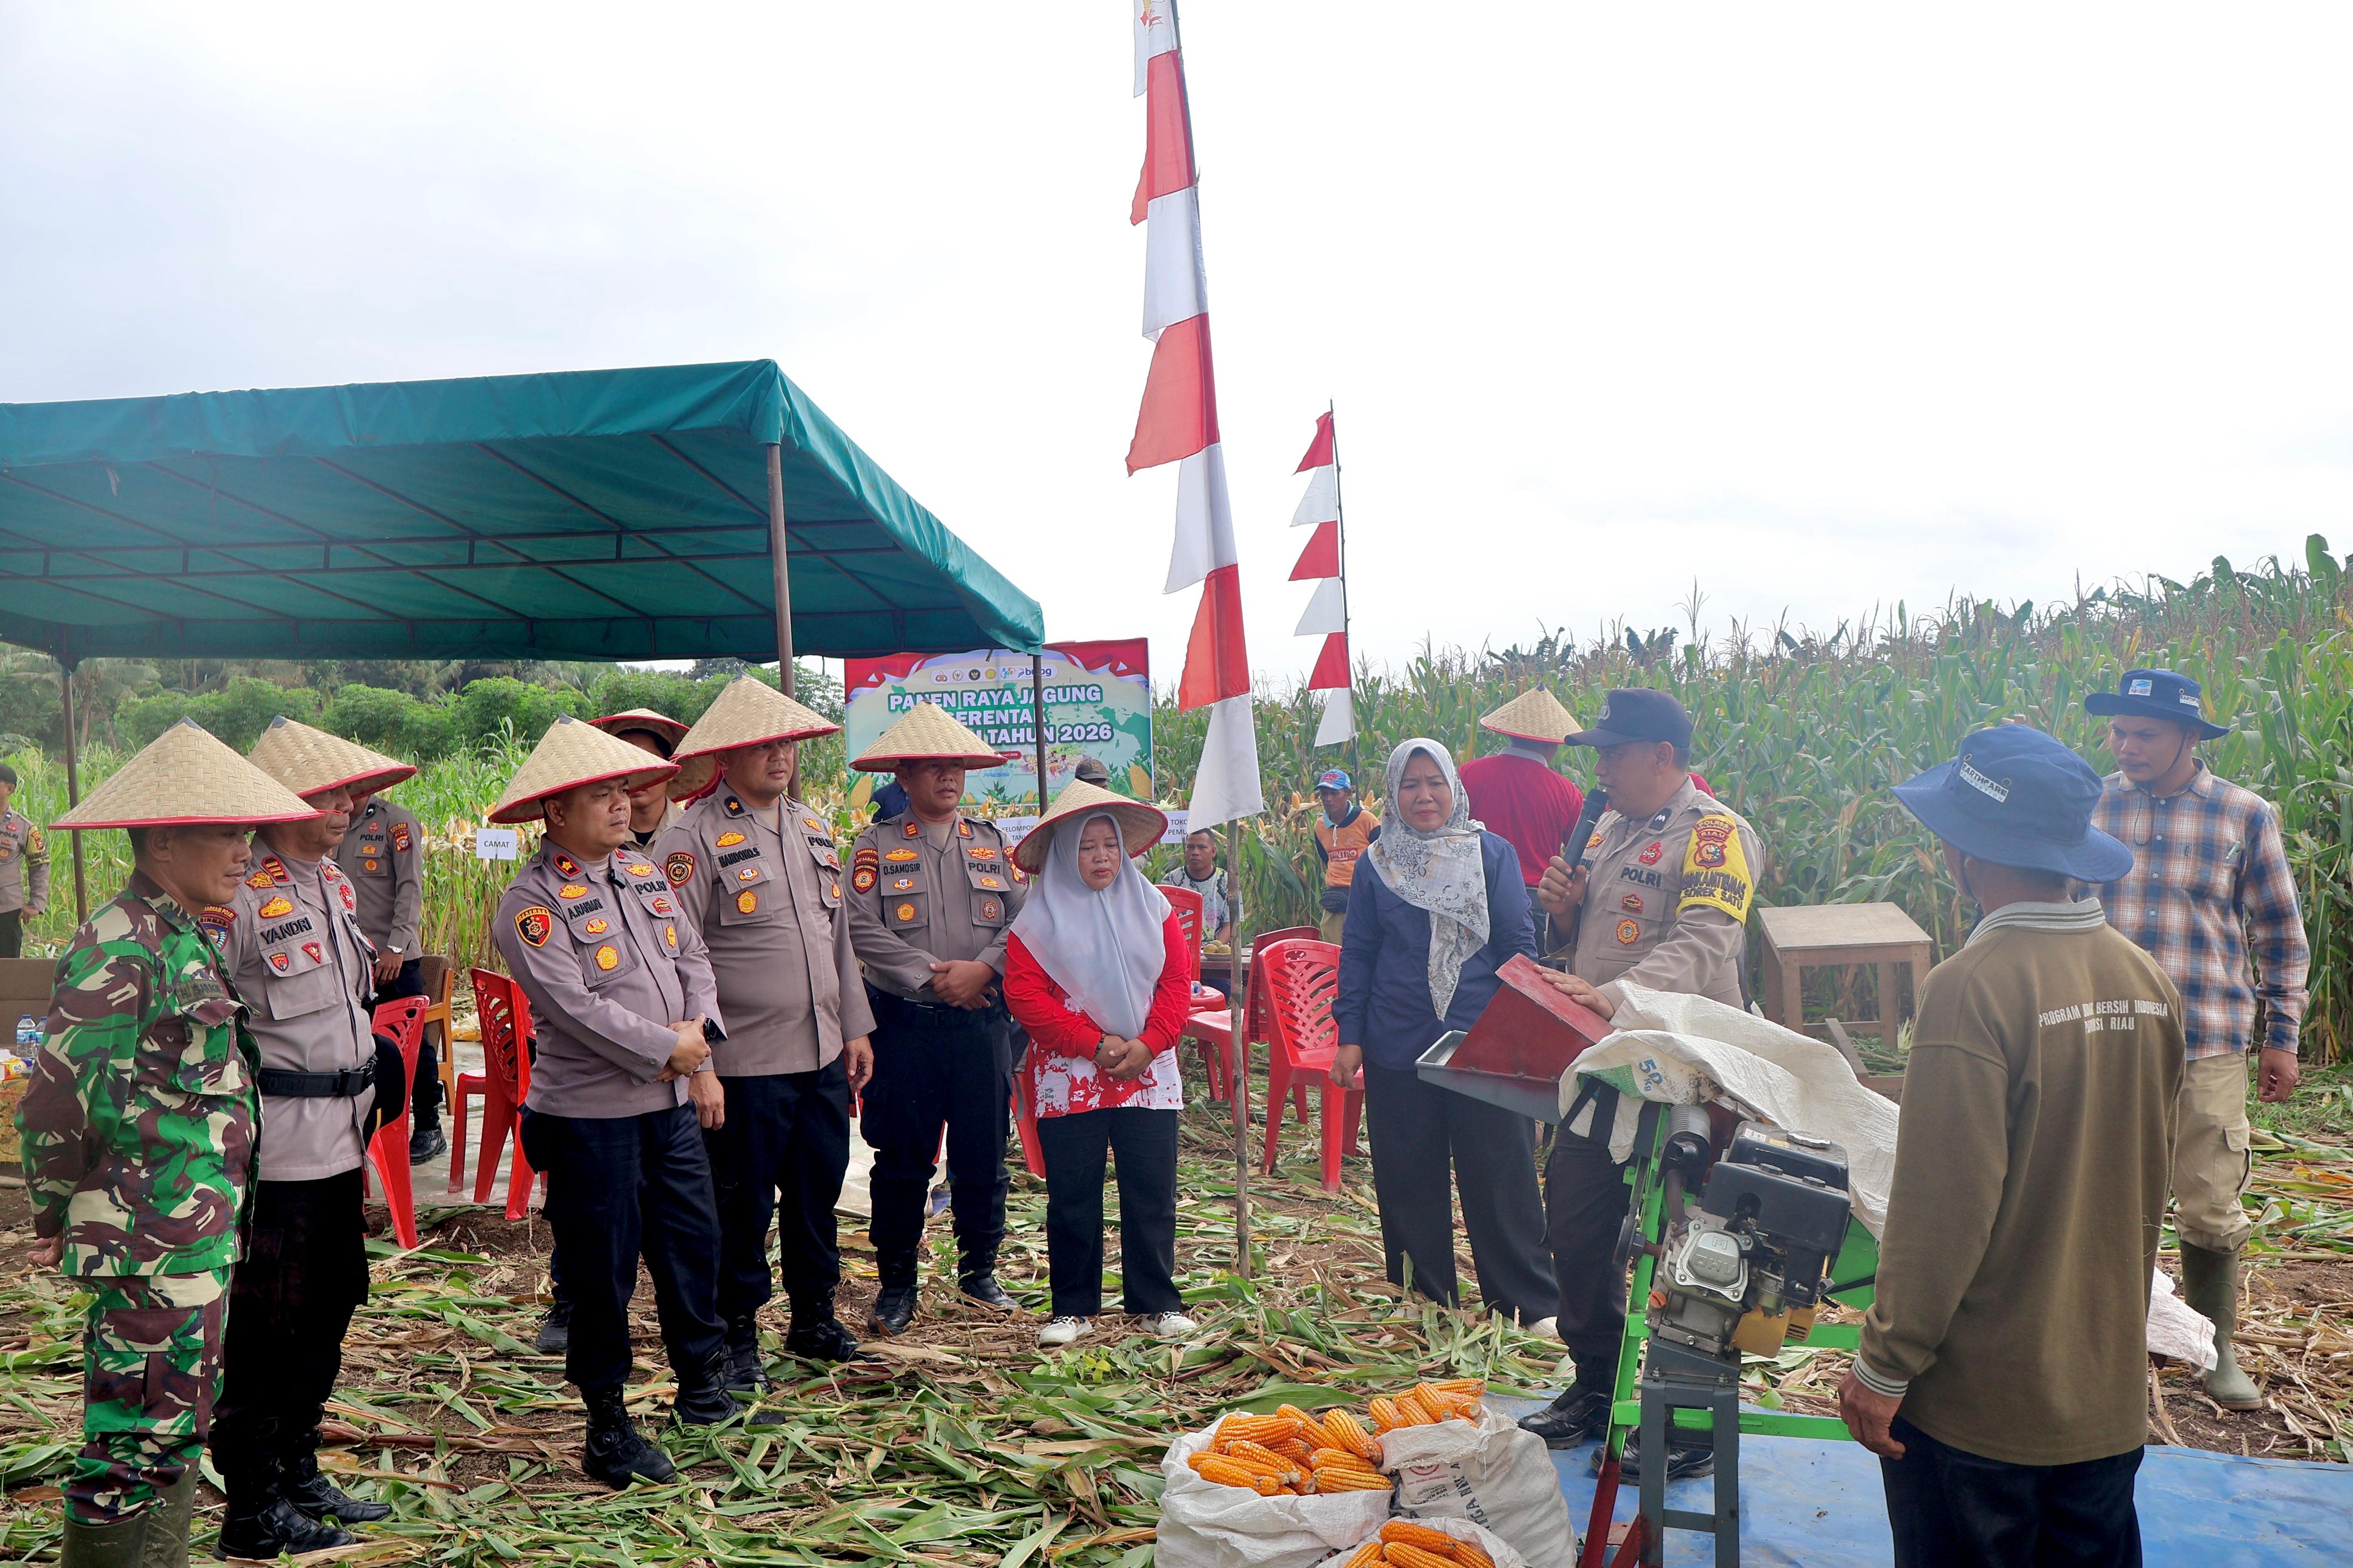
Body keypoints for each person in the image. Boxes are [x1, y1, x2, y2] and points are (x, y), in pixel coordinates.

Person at [1839, 725, 2184, 1568]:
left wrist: (1883, 1365)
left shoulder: (1970, 990)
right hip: (2103, 1403)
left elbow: (1942, 1215)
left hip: (1980, 1420)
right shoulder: (2146, 980)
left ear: (1965, 853)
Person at [15, 720, 314, 1567]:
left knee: (174, 1425)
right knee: (132, 1442)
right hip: (145, 1240)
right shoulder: (122, 942)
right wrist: (55, 1213)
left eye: (246, 829)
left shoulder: (186, 931)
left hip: (191, 1235)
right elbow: (56, 1102)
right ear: (160, 839)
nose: (243, 848)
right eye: (224, 831)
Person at [1518, 689, 1762, 1483]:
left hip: (1689, 1071)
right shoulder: (1609, 830)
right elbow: (1585, 943)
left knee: (1695, 1249)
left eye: (1614, 753)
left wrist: (1618, 997)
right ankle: (1594, 1382)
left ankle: (1689, 1414)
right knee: (1579, 1225)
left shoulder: (1719, 835)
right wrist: (1563, 916)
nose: (1601, 768)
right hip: (1605, 1067)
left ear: (1663, 755)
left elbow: (1701, 943)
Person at [491, 716, 739, 1488]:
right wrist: (669, 1047)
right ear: (554, 813)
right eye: (600, 794)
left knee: (693, 1244)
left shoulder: (642, 872)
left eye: (622, 790)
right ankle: (608, 1426)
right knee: (601, 1278)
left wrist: (696, 1037)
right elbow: (573, 1008)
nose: (621, 803)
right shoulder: (531, 904)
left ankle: (703, 1384)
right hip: (592, 1120)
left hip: (667, 1105)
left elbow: (693, 954)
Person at [202, 719, 413, 1556]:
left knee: (328, 1310)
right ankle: (250, 1508)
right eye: (330, 793)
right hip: (277, 1154)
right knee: (265, 1332)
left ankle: (297, 1465)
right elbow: (207, 1020)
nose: (349, 804)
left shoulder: (332, 882)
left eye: (351, 792)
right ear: (280, 801)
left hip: (340, 1143)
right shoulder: (239, 896)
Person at [2083, 668, 2309, 1410]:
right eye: (2119, 732)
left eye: (2144, 734)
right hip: (2105, 1030)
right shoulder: (2091, 805)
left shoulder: (2243, 815)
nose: (2127, 745)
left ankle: (2217, 1350)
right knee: (2106, 1193)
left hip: (2207, 1035)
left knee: (2210, 1199)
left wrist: (2283, 1035)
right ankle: (2113, 1338)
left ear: (2188, 737)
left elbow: (2278, 932)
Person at [658, 678, 874, 1375]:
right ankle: (738, 1334)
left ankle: (812, 1317)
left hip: (818, 1052)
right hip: (744, 1062)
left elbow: (837, 937)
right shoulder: (691, 837)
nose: (778, 755)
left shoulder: (811, 826)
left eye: (785, 742)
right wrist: (699, 1064)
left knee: (817, 1192)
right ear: (728, 754)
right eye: (762, 744)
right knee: (741, 1205)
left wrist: (856, 1028)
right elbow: (675, 956)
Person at [1328, 739, 1558, 1332]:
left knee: (1501, 1171)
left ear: (1453, 787)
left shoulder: (1490, 854)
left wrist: (1519, 1031)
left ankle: (1526, 1303)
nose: (1423, 795)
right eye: (1409, 785)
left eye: (1434, 782)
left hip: (1481, 1039)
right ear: (1391, 793)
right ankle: (1423, 1296)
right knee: (1406, 1173)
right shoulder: (1377, 862)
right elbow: (1358, 952)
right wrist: (1349, 1034)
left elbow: (1517, 947)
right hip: (1396, 1037)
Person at [844, 703, 1025, 1334]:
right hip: (908, 1029)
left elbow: (1023, 920)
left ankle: (980, 1272)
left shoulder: (992, 843)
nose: (948, 777)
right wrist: (932, 975)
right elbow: (859, 927)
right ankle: (897, 1284)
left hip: (981, 1029)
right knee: (901, 1162)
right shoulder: (876, 846)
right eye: (933, 767)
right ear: (905, 772)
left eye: (956, 766)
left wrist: (985, 969)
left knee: (983, 1156)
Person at [1002, 779, 1198, 1347]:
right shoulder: (1038, 919)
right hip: (1072, 1076)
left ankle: (1156, 1301)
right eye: (1086, 847)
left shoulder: (1152, 905)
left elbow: (1176, 979)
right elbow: (1024, 994)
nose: (1100, 857)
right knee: (1072, 1194)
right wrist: (1092, 1043)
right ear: (1065, 853)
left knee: (1151, 1189)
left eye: (1108, 844)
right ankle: (1072, 1305)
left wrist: (1150, 1041)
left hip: (1147, 1071)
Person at [333, 741, 441, 1161]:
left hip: (396, 960)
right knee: (362, 1042)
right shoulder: (332, 826)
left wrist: (396, 947)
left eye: (357, 785)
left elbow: (410, 889)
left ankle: (429, 1124)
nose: (348, 795)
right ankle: (369, 1125)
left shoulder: (396, 823)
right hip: (352, 960)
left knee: (414, 1044)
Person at [1456, 689, 1585, 949]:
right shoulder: (1566, 790)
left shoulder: (1469, 773)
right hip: (1535, 903)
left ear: (1509, 734)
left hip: (1473, 894)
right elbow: (1577, 855)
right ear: (1554, 743)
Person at [589, 707, 693, 847]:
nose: (636, 776)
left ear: (670, 770)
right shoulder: (594, 839)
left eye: (648, 763)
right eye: (625, 764)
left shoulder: (696, 830)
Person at [1311, 768, 1380, 942]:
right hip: (1336, 897)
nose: (1328, 799)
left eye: (1334, 793)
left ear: (1348, 793)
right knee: (1335, 950)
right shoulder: (1320, 826)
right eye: (1324, 794)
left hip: (1365, 893)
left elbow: (1383, 857)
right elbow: (1327, 858)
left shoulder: (1366, 820)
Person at [0, 759, 50, 958]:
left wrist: (36, 904)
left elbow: (40, 866)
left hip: (7, 910)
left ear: (9, 789)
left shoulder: (24, 827)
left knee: (8, 972)